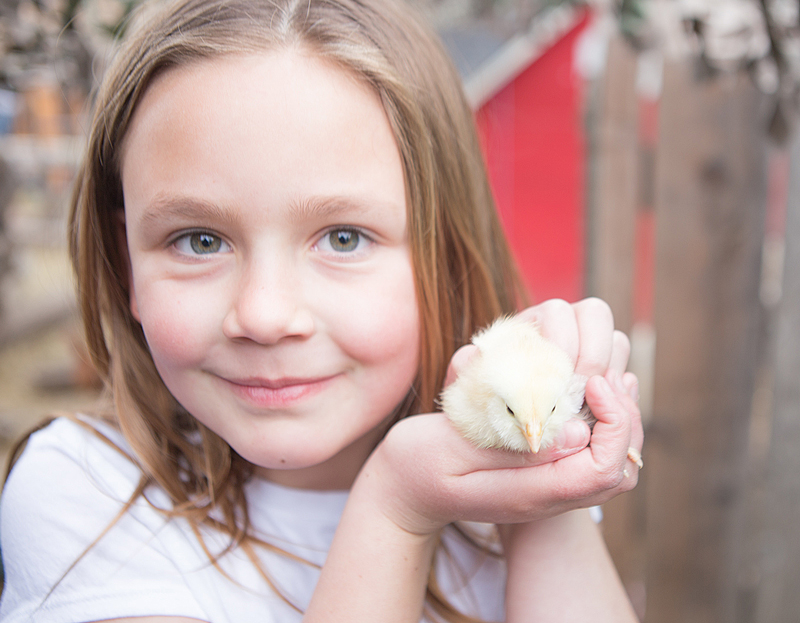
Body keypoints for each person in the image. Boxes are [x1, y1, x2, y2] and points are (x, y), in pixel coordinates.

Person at [0, 0, 644, 621]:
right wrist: (396, 505)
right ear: (127, 264)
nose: (264, 315)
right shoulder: (83, 494)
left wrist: (543, 480)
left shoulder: (497, 501)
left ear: (442, 253)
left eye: (343, 238)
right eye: (200, 241)